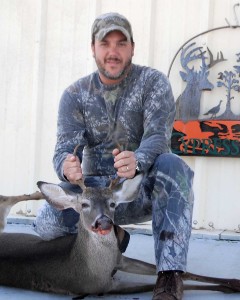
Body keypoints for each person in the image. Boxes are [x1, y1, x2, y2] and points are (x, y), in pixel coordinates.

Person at [34, 12, 194, 300]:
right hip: (93, 198)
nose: (113, 52)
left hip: (136, 191)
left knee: (174, 166)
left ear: (132, 47)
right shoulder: (75, 94)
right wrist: (65, 166)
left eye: (121, 43)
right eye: (105, 43)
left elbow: (159, 137)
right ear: (93, 48)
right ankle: (110, 241)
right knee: (45, 224)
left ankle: (169, 276)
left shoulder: (154, 83)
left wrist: (138, 161)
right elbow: (64, 149)